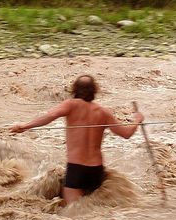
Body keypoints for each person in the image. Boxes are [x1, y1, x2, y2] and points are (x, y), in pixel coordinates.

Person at [10, 75, 144, 204]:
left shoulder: (71, 105)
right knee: (92, 211)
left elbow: (50, 116)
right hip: (96, 170)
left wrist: (24, 126)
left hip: (76, 168)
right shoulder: (104, 112)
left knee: (73, 214)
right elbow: (126, 134)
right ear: (94, 90)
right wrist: (137, 120)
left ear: (74, 90)